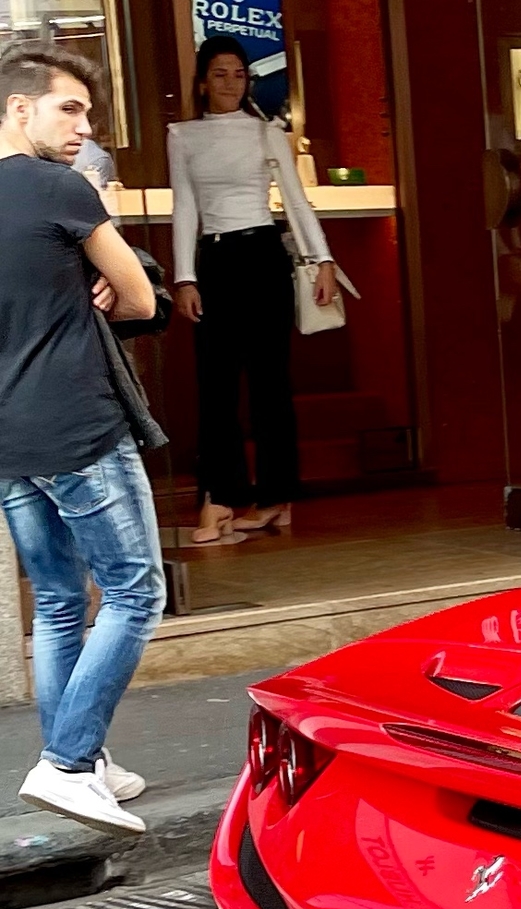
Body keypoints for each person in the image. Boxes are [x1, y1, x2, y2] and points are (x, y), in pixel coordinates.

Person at [0, 43, 165, 835]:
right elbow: (138, 298)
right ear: (18, 107)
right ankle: (66, 764)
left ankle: (83, 756)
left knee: (62, 603)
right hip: (78, 425)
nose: (83, 126)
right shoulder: (62, 189)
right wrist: (104, 280)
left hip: (8, 439)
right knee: (136, 591)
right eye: (70, 108)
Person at [168, 34, 337, 547]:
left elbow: (296, 200)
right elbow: (185, 210)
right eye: (219, 74)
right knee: (216, 385)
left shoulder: (268, 132)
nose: (230, 83)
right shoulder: (184, 135)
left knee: (270, 383)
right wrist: (184, 276)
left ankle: (274, 498)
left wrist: (324, 258)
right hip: (216, 259)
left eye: (238, 74)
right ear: (202, 82)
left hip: (264, 256)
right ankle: (218, 497)